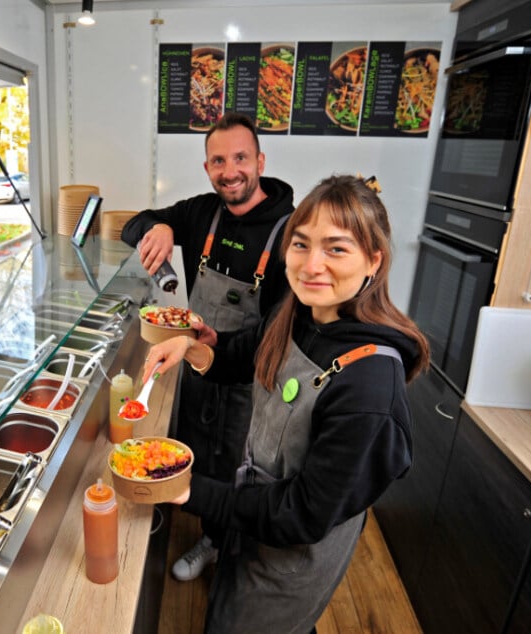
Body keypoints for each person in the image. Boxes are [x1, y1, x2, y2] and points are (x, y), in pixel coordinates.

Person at [143, 175, 430, 632]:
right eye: (301, 244)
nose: (312, 265)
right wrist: (191, 349)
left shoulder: (370, 387)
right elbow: (245, 353)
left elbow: (302, 513)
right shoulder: (299, 313)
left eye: (336, 249)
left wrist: (189, 490)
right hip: (252, 521)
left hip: (289, 557)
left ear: (373, 260)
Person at [121, 112, 294, 581]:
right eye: (218, 160)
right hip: (195, 364)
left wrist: (219, 350)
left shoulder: (288, 234)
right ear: (207, 168)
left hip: (247, 377)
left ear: (259, 160)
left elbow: (278, 333)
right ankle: (194, 519)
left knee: (233, 466)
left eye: (240, 157)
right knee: (190, 445)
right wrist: (157, 227)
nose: (230, 170)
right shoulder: (202, 211)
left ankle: (220, 545)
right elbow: (130, 226)